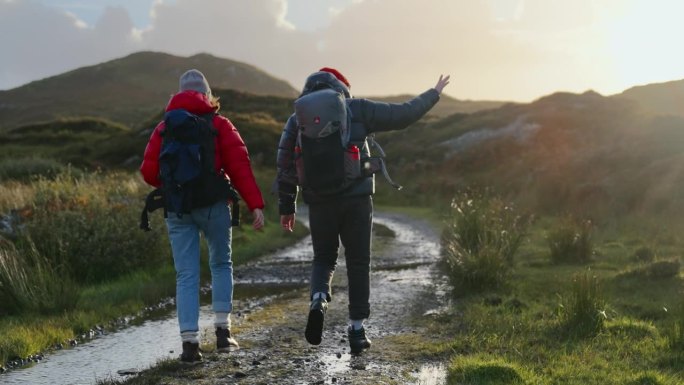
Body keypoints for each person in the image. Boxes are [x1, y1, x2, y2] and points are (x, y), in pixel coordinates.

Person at [276, 67, 450, 353]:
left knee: (323, 258)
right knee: (358, 262)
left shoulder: (298, 119)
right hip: (356, 200)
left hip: (319, 202)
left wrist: (287, 207)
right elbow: (402, 115)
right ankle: (357, 331)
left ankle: (318, 299)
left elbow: (284, 164)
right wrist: (434, 94)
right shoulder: (356, 108)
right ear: (341, 87)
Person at [140, 69, 265, 364]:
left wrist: (176, 186)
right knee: (221, 263)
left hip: (178, 208)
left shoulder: (164, 128)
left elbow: (148, 172)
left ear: (178, 95)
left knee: (186, 275)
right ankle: (223, 334)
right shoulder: (220, 124)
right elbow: (240, 166)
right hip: (213, 206)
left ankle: (190, 346)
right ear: (208, 95)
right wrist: (255, 204)